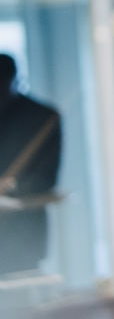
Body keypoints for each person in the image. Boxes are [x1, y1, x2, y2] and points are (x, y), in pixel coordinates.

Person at [0, 53, 62, 276]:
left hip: (23, 232)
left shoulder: (42, 117)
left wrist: (11, 186)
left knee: (25, 296)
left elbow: (46, 178)